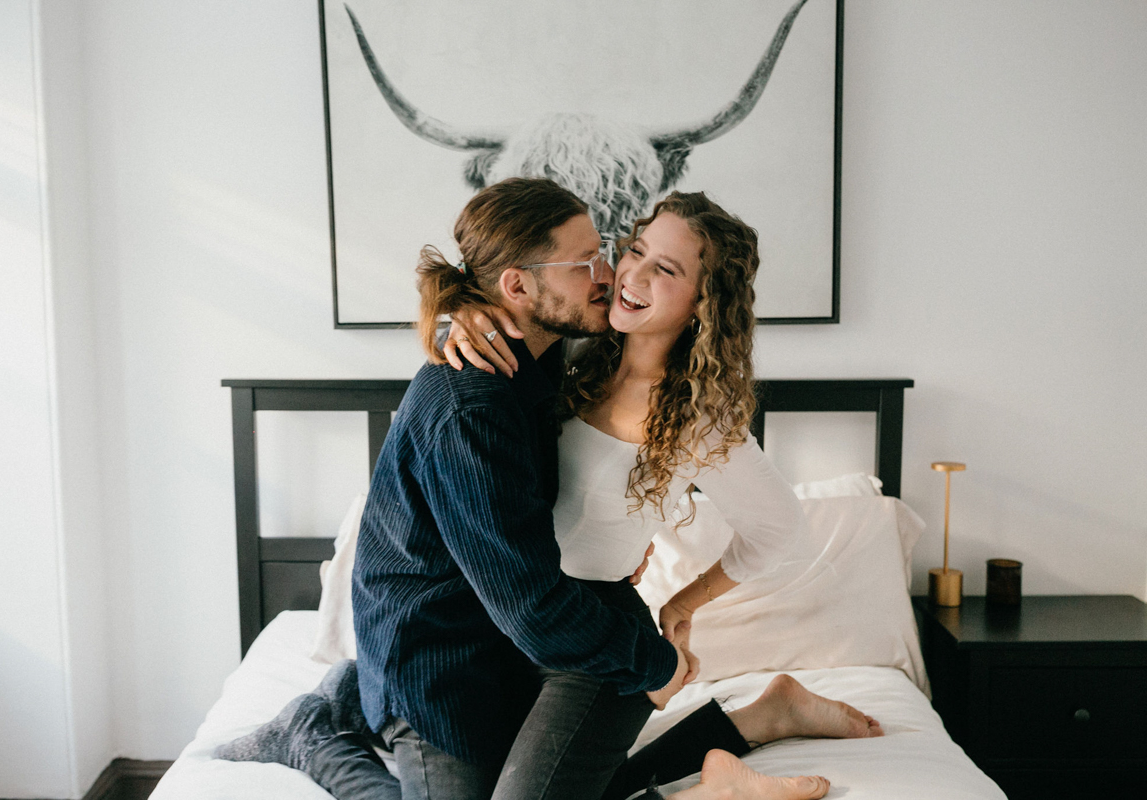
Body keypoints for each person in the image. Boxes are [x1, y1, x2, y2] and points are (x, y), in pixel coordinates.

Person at [218, 179, 873, 800]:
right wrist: (456, 316)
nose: (617, 276)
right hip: (480, 646)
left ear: (706, 302)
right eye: (624, 254)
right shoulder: (550, 365)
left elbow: (777, 530)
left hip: (574, 633)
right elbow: (529, 597)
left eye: (653, 267)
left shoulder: (620, 380)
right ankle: (319, 729)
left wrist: (681, 603)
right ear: (517, 288)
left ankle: (750, 729)